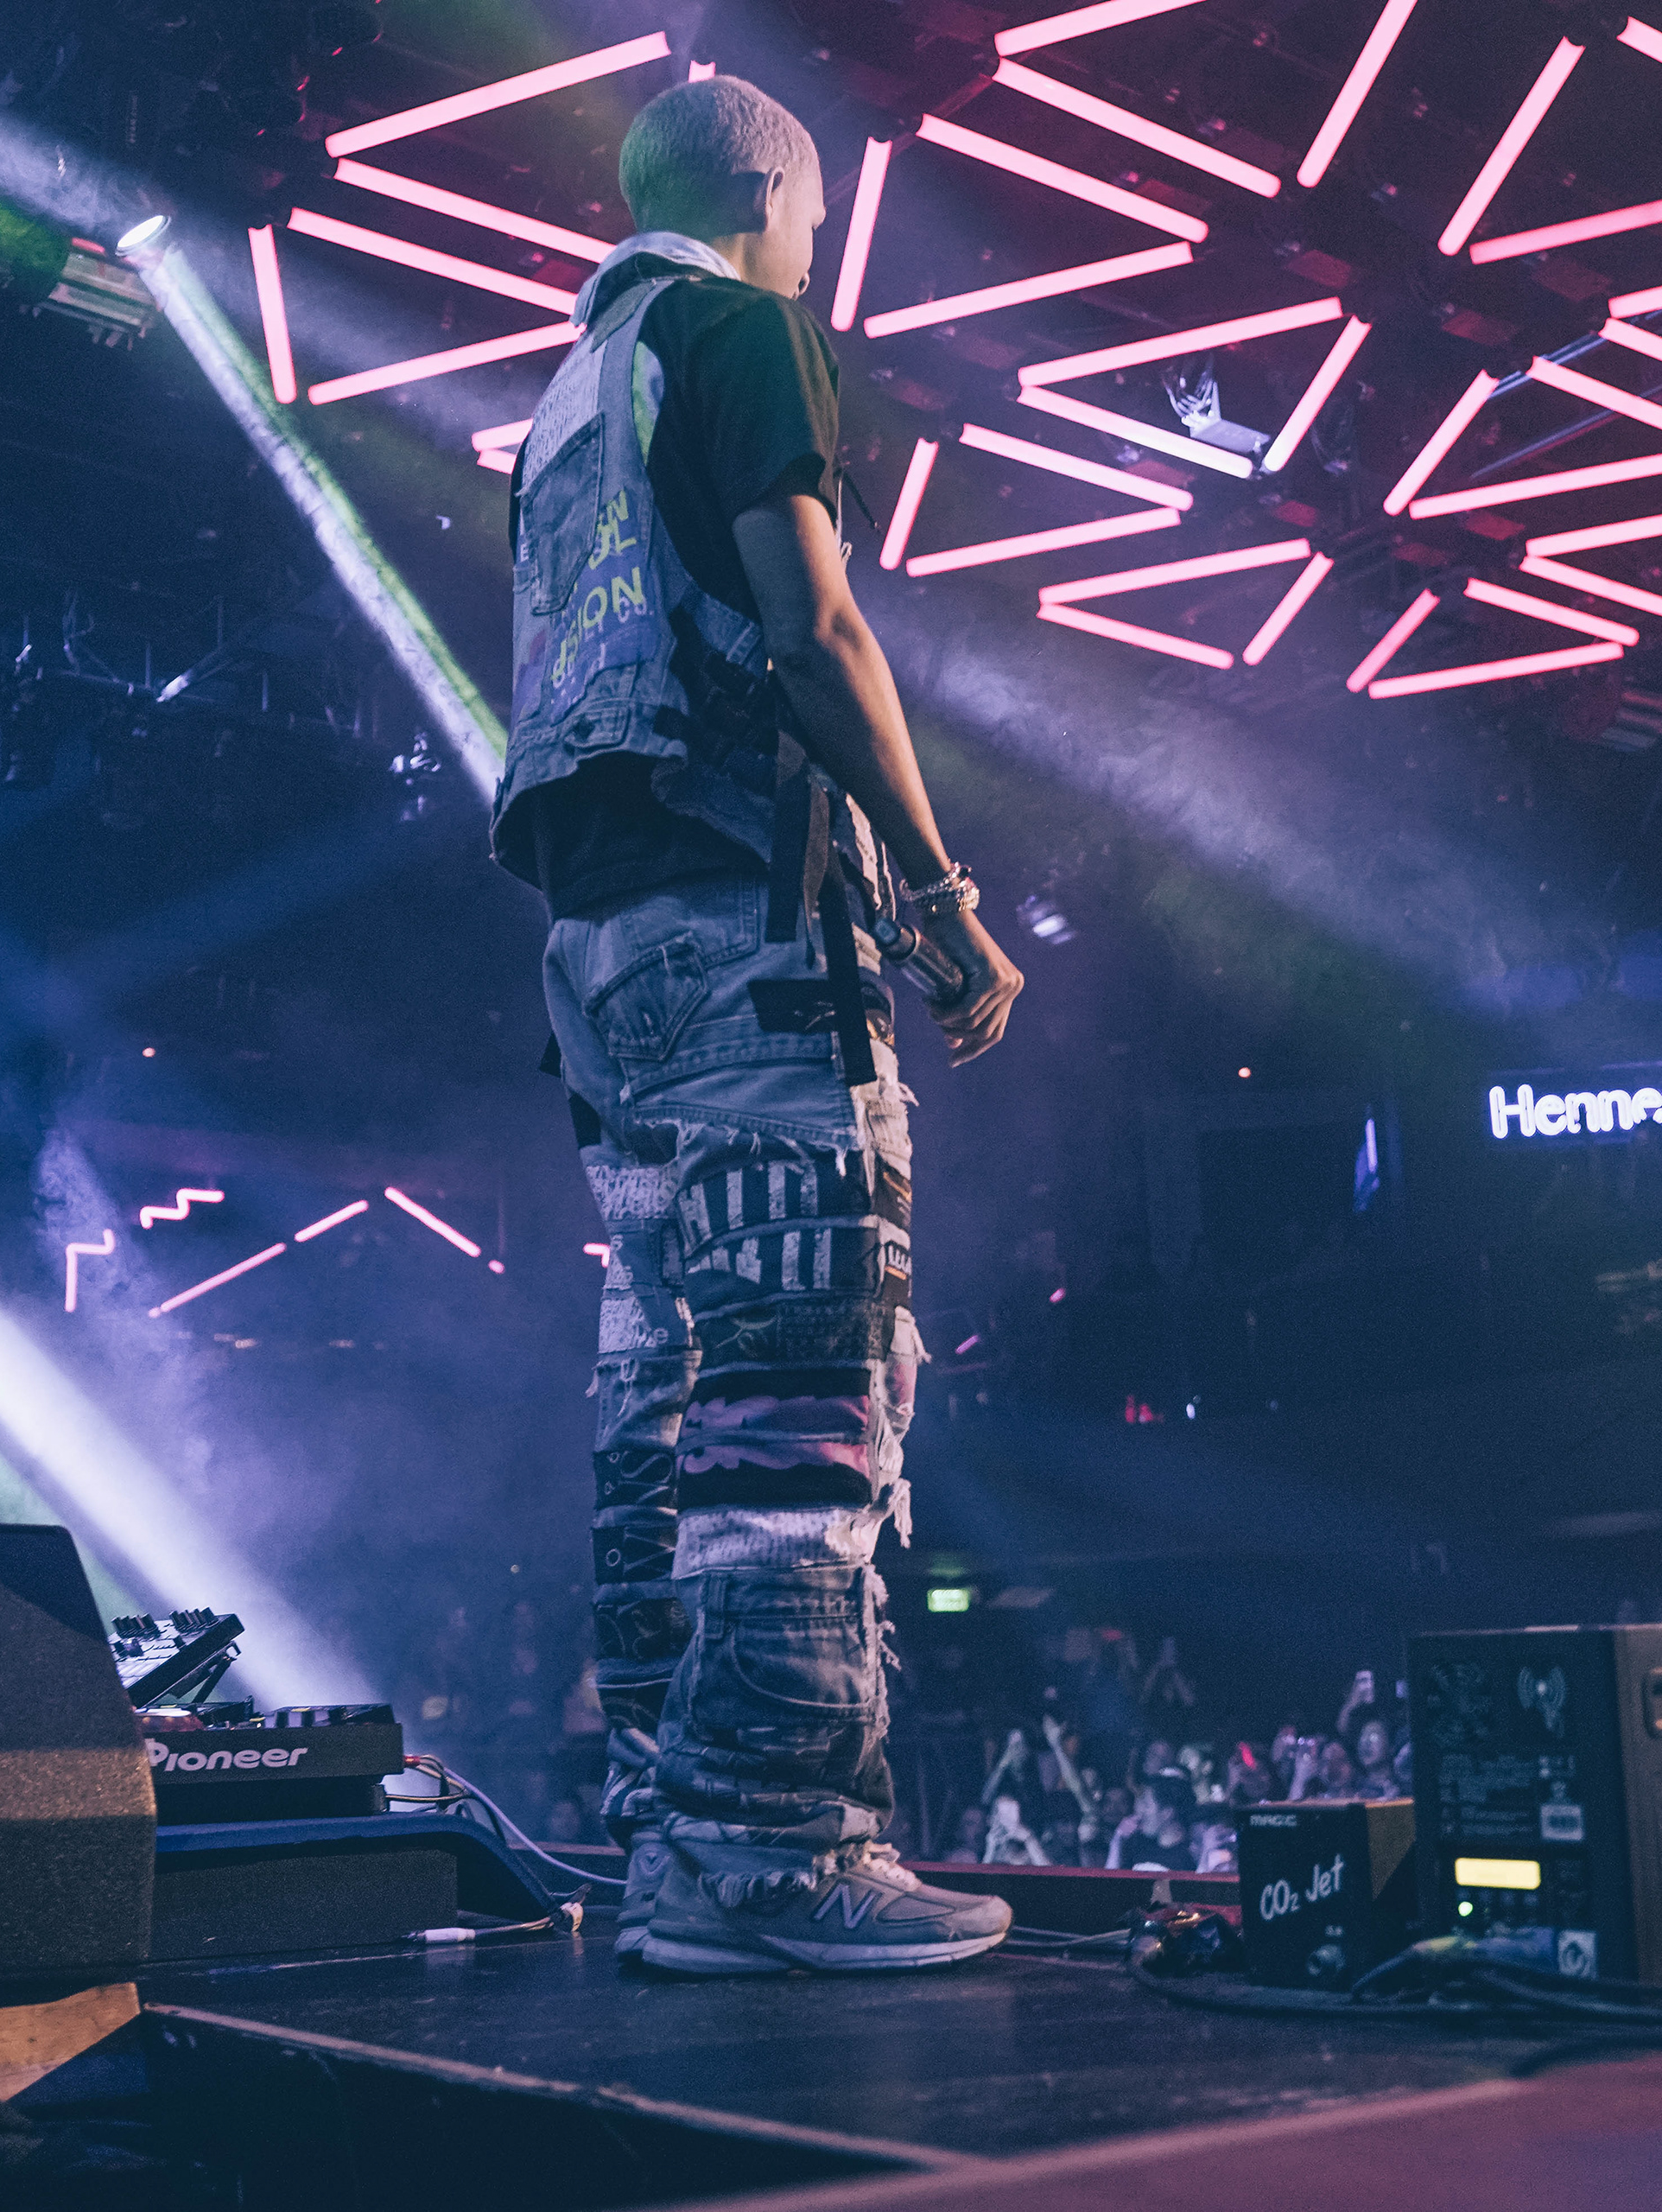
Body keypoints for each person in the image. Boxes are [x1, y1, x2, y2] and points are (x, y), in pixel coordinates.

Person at [512, 77, 1024, 1979]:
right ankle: (781, 1852)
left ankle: (678, 1847)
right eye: (814, 216)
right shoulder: (736, 330)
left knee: (664, 1396)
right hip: (744, 923)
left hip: (603, 957)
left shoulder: (568, 398)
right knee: (809, 1363)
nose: (816, 248)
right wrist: (940, 889)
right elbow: (813, 630)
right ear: (771, 192)